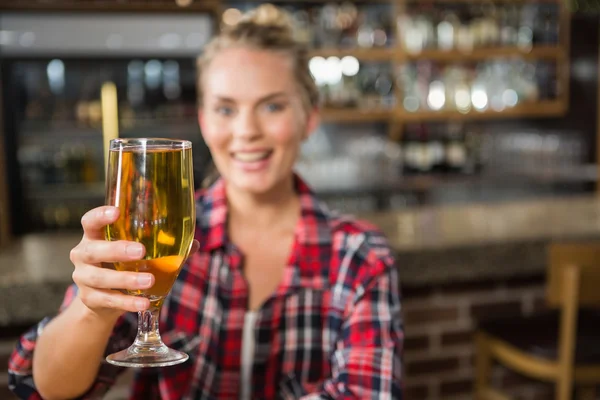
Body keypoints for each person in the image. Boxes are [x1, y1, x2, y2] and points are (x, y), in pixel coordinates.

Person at [8, 4, 404, 399]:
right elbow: (45, 389)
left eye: (272, 106)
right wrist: (92, 310)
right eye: (226, 109)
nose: (246, 131)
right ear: (203, 120)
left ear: (310, 117)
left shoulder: (359, 256)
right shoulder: (156, 234)